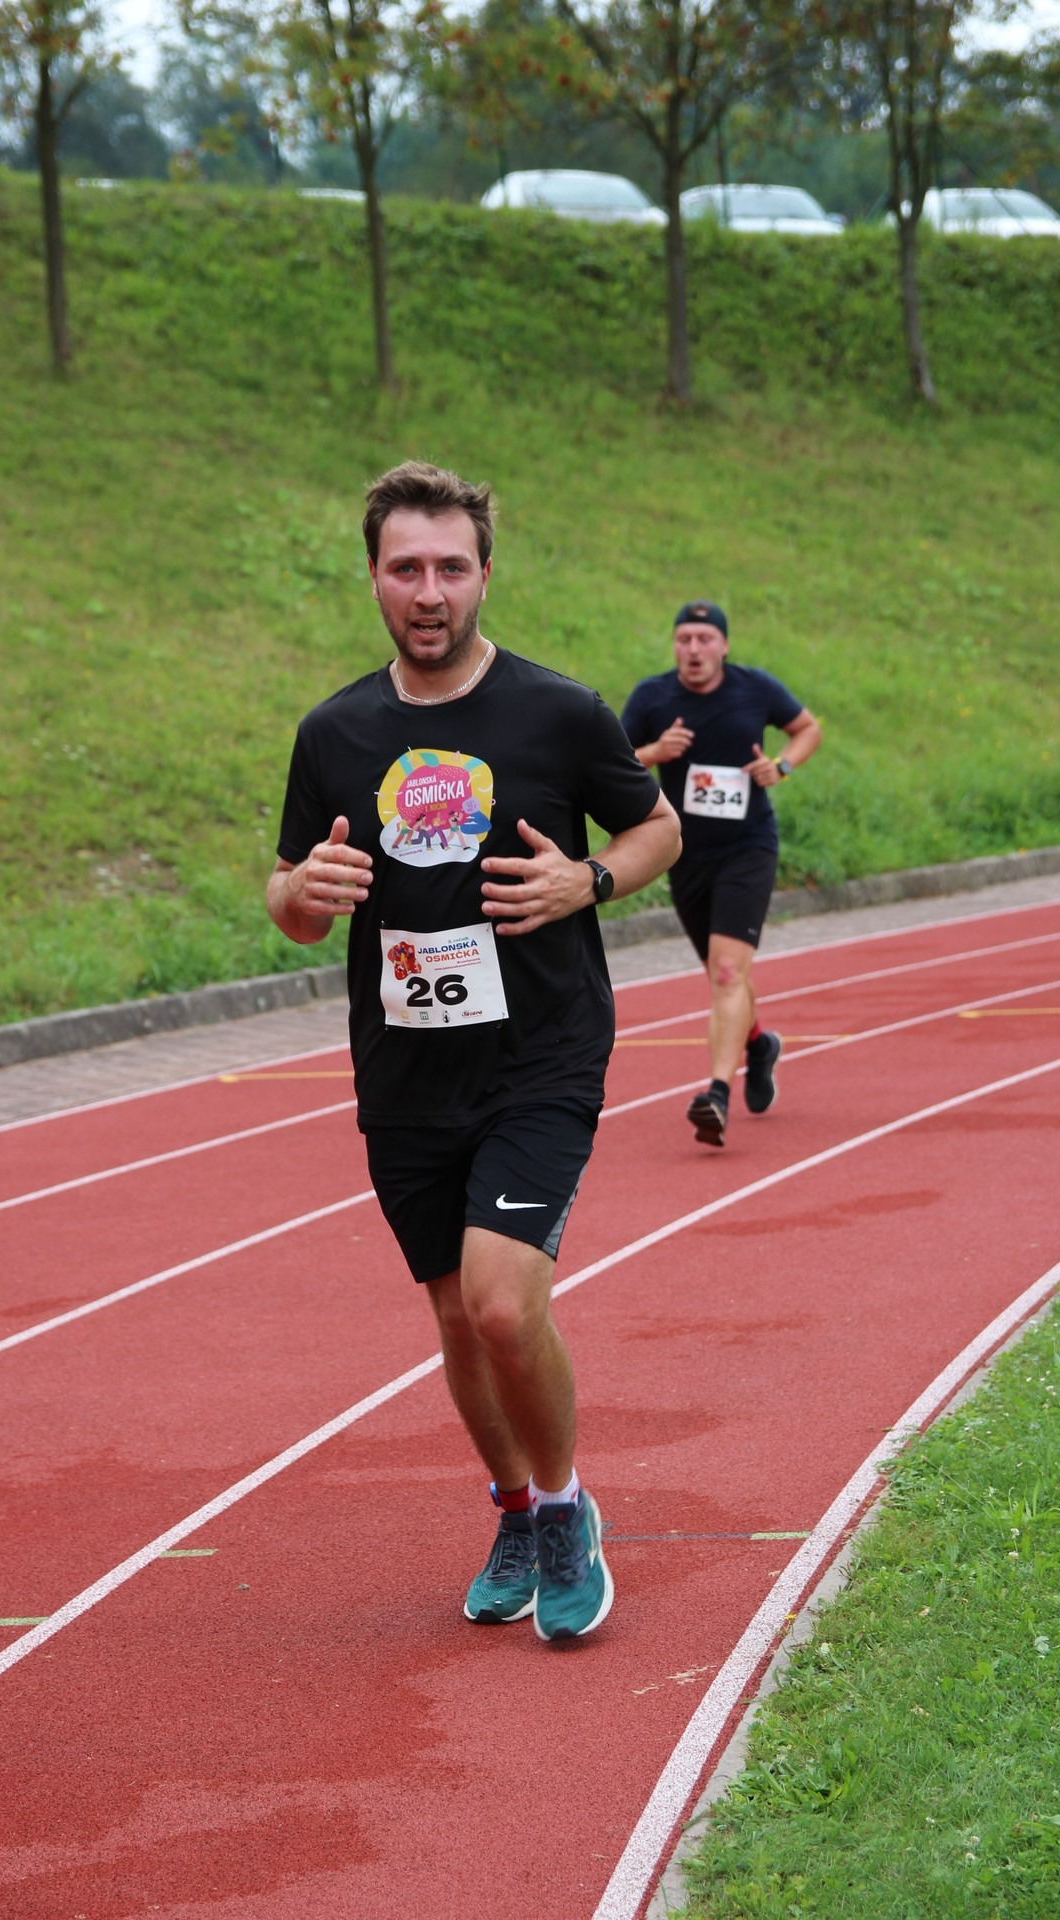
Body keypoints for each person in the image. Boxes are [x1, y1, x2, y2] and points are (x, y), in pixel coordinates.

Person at [267, 461, 680, 1641]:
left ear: (484, 574)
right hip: (405, 1065)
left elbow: (654, 829)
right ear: (372, 577)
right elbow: (289, 898)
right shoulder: (334, 731)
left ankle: (562, 1508)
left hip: (539, 1053)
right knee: (454, 1318)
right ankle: (510, 1505)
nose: (429, 591)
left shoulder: (557, 712)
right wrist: (303, 892)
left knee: (502, 1307)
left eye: (450, 567)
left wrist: (587, 879)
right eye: (406, 567)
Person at [621, 601, 821, 1148]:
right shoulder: (653, 697)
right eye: (684, 638)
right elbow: (612, 762)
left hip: (747, 847)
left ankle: (716, 1095)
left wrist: (780, 766)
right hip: (684, 853)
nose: (693, 649)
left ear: (724, 645)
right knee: (721, 970)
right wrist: (655, 751)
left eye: (705, 639)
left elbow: (807, 729)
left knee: (728, 972)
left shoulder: (755, 688)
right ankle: (758, 1045)